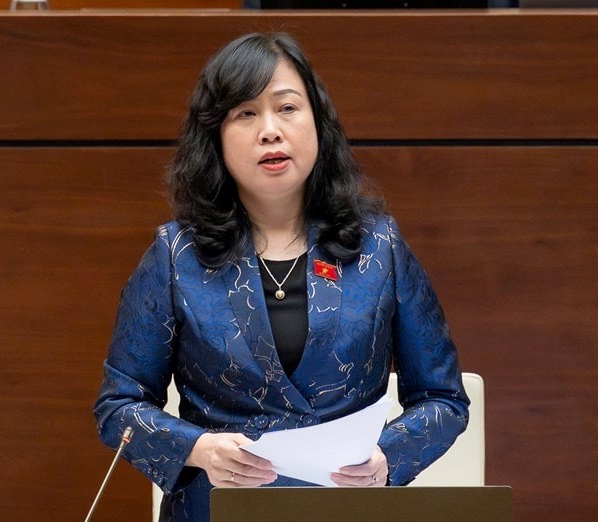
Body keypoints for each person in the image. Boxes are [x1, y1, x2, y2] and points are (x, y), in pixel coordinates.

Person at [94, 32, 469, 522]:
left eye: (287, 108)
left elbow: (442, 398)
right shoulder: (175, 256)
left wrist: (387, 458)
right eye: (246, 114)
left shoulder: (379, 247)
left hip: (346, 510)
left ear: (317, 122)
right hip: (219, 510)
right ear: (215, 137)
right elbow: (120, 407)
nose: (270, 131)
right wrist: (200, 449)